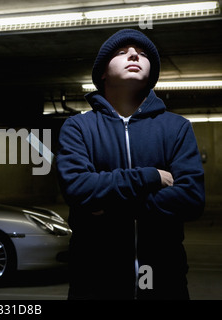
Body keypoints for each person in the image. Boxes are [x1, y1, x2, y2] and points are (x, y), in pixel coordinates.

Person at [56, 29, 205, 300]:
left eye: (143, 53)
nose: (134, 54)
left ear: (152, 74)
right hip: (95, 281)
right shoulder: (78, 127)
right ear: (102, 72)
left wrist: (110, 203)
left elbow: (191, 198)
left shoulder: (176, 128)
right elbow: (78, 189)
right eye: (121, 52)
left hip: (164, 279)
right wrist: (149, 177)